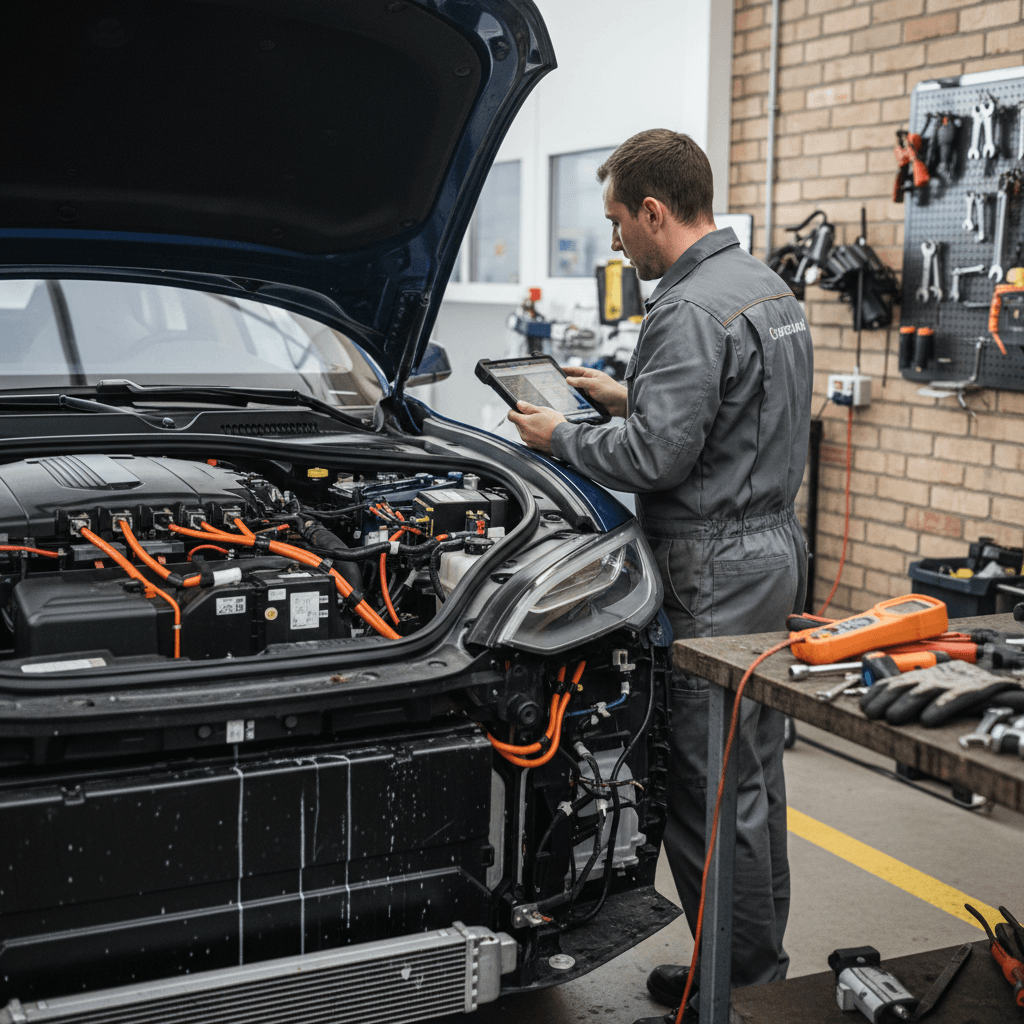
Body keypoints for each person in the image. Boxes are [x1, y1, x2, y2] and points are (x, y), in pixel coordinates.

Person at [507, 129, 813, 1024]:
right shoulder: (763, 285)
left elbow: (655, 457)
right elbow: (726, 413)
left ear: (654, 211)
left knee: (705, 793)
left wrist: (557, 436)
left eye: (616, 224)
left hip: (709, 568)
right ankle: (750, 966)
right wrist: (620, 392)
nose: (615, 245)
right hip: (768, 552)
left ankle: (737, 992)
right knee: (750, 777)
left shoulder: (683, 309)